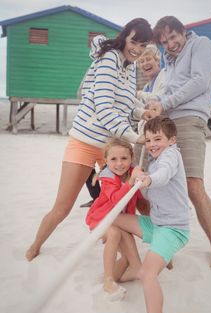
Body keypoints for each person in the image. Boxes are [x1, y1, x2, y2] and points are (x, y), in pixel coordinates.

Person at [25, 18, 153, 261]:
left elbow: (122, 104)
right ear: (125, 36)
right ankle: (35, 247)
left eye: (143, 45)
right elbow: (104, 108)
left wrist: (140, 113)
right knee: (63, 207)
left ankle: (148, 245)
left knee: (131, 200)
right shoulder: (110, 59)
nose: (137, 48)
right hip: (85, 143)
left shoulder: (129, 66)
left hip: (111, 149)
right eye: (134, 41)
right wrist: (136, 138)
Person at [146, 16, 211, 269]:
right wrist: (149, 101)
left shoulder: (201, 44)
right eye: (164, 41)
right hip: (167, 121)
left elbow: (199, 81)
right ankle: (164, 244)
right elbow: (166, 93)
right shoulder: (169, 63)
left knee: (193, 185)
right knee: (158, 183)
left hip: (190, 119)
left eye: (173, 37)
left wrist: (165, 104)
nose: (170, 44)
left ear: (183, 31)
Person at [112, 116, 190, 313]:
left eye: (158, 139)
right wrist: (139, 176)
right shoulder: (153, 162)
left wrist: (148, 179)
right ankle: (130, 262)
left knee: (148, 274)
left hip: (173, 229)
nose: (152, 144)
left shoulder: (171, 156)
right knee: (114, 220)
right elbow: (147, 188)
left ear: (172, 140)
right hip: (156, 224)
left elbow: (163, 175)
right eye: (148, 140)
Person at [86, 138, 148, 300]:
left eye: (124, 159)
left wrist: (143, 180)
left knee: (128, 256)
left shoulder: (132, 172)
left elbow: (141, 198)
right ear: (105, 160)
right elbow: (115, 199)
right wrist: (131, 181)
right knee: (114, 234)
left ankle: (123, 274)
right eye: (113, 159)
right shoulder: (107, 178)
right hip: (101, 219)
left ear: (131, 158)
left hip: (120, 220)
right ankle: (108, 281)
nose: (119, 164)